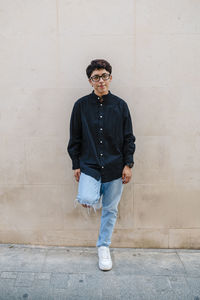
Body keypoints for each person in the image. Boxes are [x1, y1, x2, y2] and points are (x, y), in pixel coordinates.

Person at [67, 59, 136, 271]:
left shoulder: (120, 105)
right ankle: (93, 194)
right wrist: (76, 164)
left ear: (110, 78)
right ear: (90, 81)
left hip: (115, 166)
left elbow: (128, 138)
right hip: (89, 164)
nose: (101, 81)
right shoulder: (80, 106)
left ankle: (103, 247)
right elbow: (75, 137)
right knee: (87, 198)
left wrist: (128, 164)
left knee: (110, 209)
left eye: (104, 76)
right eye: (96, 77)